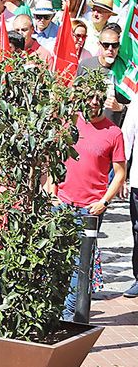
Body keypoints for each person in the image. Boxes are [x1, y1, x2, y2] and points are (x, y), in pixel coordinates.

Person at [58, 100, 126, 318]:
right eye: (89, 97)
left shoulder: (113, 132)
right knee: (58, 258)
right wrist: (52, 191)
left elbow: (120, 173)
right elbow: (55, 156)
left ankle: (70, 314)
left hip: (90, 208)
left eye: (98, 98)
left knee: (81, 262)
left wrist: (104, 202)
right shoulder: (71, 122)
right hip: (62, 203)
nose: (94, 103)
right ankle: (58, 309)